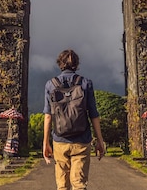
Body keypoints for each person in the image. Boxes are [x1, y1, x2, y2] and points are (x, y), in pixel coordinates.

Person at [42, 49, 105, 190]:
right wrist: (100, 141)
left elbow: (48, 116)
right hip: (82, 140)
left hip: (59, 141)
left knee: (62, 185)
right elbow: (93, 114)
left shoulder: (50, 85)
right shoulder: (85, 83)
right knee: (79, 184)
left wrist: (45, 142)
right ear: (76, 64)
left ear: (60, 64)